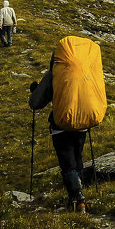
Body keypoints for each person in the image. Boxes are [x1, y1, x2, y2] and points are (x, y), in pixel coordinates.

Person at [29, 58, 89, 213]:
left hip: (60, 125)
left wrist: (36, 89)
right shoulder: (85, 71)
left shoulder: (54, 74)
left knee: (68, 163)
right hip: (82, 123)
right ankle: (80, 193)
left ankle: (78, 199)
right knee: (78, 158)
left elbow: (36, 102)